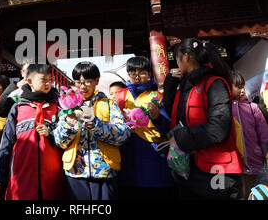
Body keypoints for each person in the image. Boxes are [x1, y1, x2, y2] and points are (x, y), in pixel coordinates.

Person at [163, 38, 243, 200]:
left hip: (217, 169)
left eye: (176, 58)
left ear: (186, 57)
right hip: (189, 170)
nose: (176, 63)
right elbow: (175, 117)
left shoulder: (214, 83)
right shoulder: (185, 86)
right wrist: (170, 86)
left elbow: (219, 128)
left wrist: (180, 137)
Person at [53, 61, 131, 200]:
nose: (82, 86)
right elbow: (59, 142)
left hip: (104, 172)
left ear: (97, 81)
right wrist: (68, 126)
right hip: (75, 173)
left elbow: (123, 134)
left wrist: (97, 125)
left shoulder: (109, 104)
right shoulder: (67, 106)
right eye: (78, 82)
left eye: (87, 81)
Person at [0, 64, 65, 200]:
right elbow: (6, 145)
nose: (48, 83)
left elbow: (66, 140)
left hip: (52, 179)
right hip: (21, 175)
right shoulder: (18, 108)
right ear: (30, 81)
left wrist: (51, 134)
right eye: (44, 79)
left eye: (50, 79)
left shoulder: (59, 108)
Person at [114, 56, 174, 199]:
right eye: (133, 73)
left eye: (141, 73)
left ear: (148, 74)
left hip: (152, 154)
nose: (137, 77)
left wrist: (157, 117)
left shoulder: (156, 96)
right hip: (127, 153)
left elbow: (167, 128)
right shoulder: (121, 96)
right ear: (128, 74)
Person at [230, 70, 268, 198]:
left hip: (256, 164)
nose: (242, 90)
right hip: (236, 168)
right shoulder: (225, 110)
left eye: (243, 87)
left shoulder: (253, 108)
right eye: (238, 87)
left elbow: (264, 135)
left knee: (256, 194)